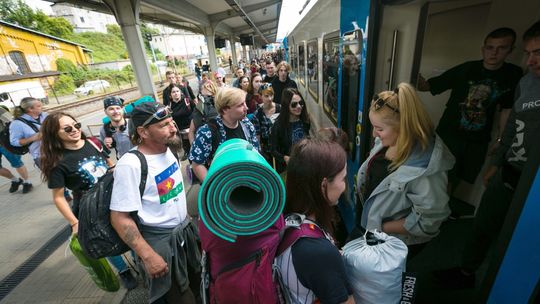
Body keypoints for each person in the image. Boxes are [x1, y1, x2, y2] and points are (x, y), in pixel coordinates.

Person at [434, 20, 540, 290]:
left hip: (530, 180)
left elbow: (504, 112)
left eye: (538, 52)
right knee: (483, 225)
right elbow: (515, 119)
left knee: (521, 239)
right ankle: (467, 272)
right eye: (529, 53)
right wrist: (499, 159)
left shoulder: (511, 75)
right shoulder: (526, 82)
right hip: (508, 168)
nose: (531, 61)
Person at [110, 103, 201, 303]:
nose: (173, 128)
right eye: (164, 125)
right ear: (143, 132)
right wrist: (148, 256)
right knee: (176, 298)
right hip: (160, 244)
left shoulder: (169, 149)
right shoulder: (131, 164)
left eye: (172, 122)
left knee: (197, 287)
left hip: (183, 234)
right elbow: (120, 218)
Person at [354, 83, 455, 259]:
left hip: (393, 243)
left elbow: (429, 221)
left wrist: (381, 227)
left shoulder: (425, 170)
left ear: (403, 128)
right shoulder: (386, 142)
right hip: (372, 230)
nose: (374, 135)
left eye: (379, 129)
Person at [417, 27, 523, 194]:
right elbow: (429, 86)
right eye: (490, 48)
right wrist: (412, 69)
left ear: (511, 50)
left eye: (501, 48)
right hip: (450, 134)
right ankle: (432, 212)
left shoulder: (513, 74)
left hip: (478, 139)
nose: (494, 53)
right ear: (483, 49)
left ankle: (443, 210)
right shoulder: (466, 69)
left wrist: (501, 139)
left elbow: (507, 109)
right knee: (440, 174)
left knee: (460, 176)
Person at [40, 112, 137, 290]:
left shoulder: (94, 142)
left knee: (129, 228)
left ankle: (139, 257)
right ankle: (123, 271)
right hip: (89, 208)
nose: (75, 130)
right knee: (104, 240)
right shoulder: (57, 161)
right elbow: (59, 197)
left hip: (112, 197)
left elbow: (110, 163)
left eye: (76, 125)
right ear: (54, 134)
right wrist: (74, 222)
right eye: (67, 129)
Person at [275, 138, 354, 304]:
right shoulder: (317, 252)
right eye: (342, 179)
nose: (344, 187)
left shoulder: (288, 218)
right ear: (324, 184)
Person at [189, 87, 259, 182]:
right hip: (222, 184)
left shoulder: (247, 124)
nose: (246, 108)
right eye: (240, 105)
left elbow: (255, 152)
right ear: (225, 109)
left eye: (245, 103)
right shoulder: (207, 132)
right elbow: (197, 163)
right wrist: (212, 187)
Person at [270, 88, 311, 173]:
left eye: (301, 103)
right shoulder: (278, 126)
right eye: (294, 104)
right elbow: (273, 150)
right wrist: (284, 158)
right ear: (286, 106)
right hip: (287, 169)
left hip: (305, 164)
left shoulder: (305, 121)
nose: (299, 107)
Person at [251, 83, 281, 164]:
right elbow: (257, 136)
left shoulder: (280, 109)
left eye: (271, 95)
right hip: (267, 150)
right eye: (266, 96)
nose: (270, 98)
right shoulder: (257, 114)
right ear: (260, 97)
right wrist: (260, 152)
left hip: (281, 148)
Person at [169, 84, 194, 160]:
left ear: (181, 92)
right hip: (181, 134)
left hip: (192, 130)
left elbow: (196, 113)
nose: (176, 93)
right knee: (189, 152)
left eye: (177, 91)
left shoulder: (187, 101)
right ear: (170, 94)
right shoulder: (169, 106)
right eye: (173, 92)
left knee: (195, 150)